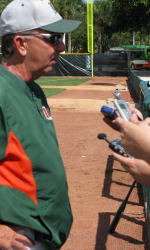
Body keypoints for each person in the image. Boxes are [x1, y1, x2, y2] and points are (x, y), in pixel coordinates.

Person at [0, 0, 81, 249]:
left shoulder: (33, 88)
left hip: (44, 231)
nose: (62, 46)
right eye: (53, 37)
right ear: (21, 44)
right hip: (20, 235)